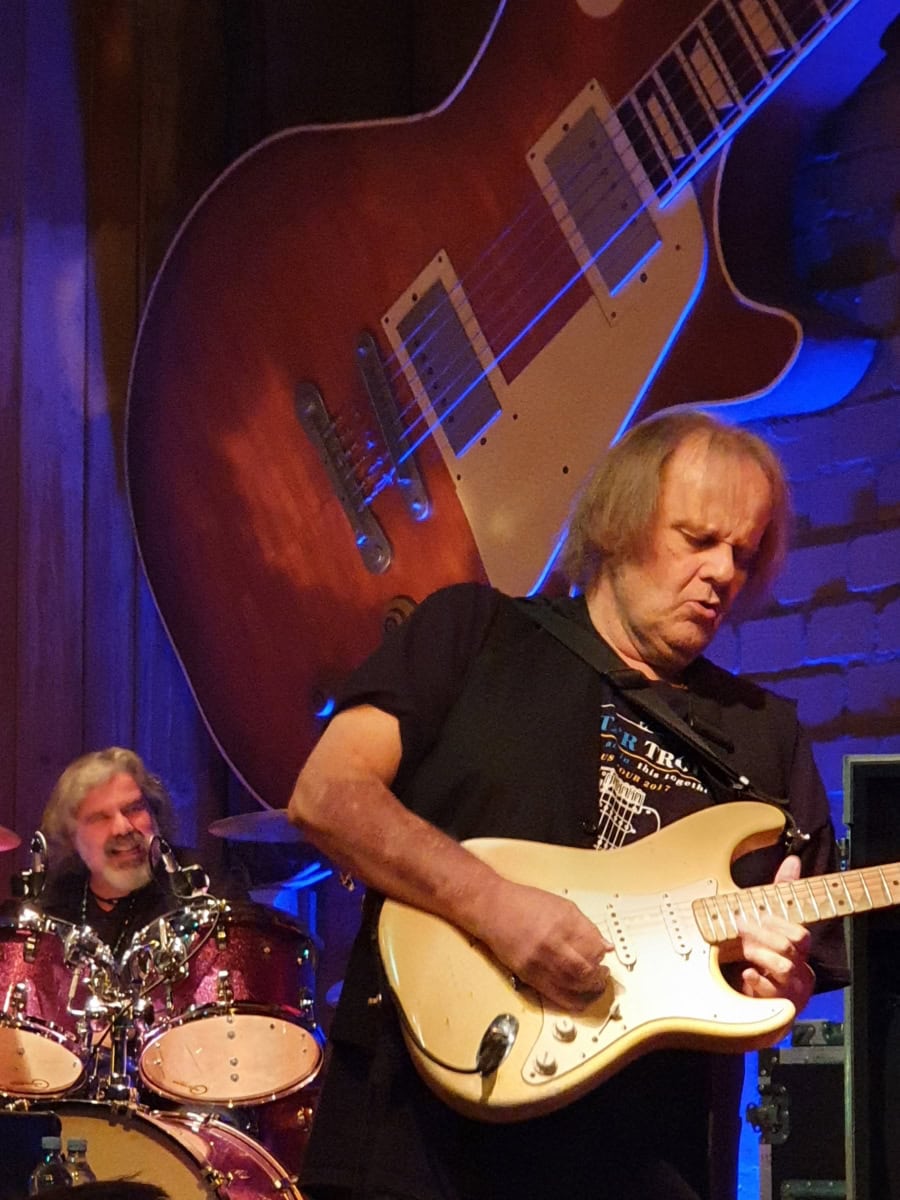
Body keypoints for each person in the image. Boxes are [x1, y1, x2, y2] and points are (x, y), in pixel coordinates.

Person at [287, 409, 849, 1200]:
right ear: (620, 523)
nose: (724, 571)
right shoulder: (474, 633)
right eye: (697, 538)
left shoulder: (768, 735)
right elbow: (326, 794)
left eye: (744, 553)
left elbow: (782, 984)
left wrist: (779, 990)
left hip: (643, 1161)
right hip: (420, 1137)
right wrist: (496, 907)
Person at [38, 747, 205, 959]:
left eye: (134, 809)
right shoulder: (53, 904)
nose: (123, 828)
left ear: (153, 813)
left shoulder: (197, 880)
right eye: (100, 818)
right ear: (72, 837)